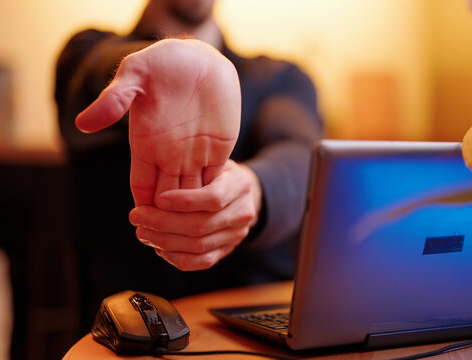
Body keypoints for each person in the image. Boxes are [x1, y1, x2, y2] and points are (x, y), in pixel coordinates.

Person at [55, 0, 323, 333]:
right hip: (130, 340)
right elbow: (89, 77)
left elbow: (299, 154)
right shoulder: (87, 50)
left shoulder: (281, 77)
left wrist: (254, 189)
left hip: (258, 338)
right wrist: (151, 64)